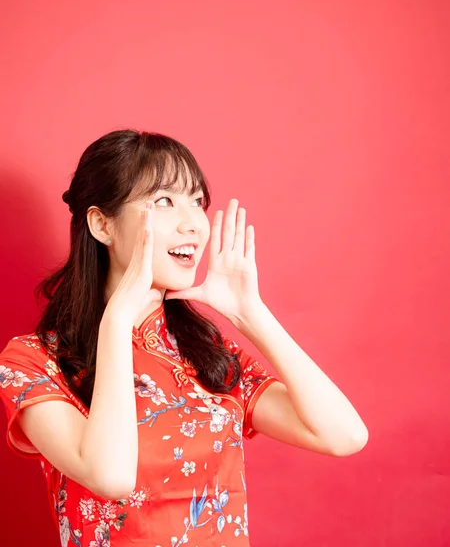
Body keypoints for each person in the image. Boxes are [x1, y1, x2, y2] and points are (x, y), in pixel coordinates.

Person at [0, 130, 368, 546]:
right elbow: (112, 477)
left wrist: (250, 313)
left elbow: (344, 436)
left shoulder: (204, 354)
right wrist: (117, 323)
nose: (193, 222)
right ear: (102, 224)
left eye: (196, 202)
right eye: (163, 201)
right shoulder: (33, 362)